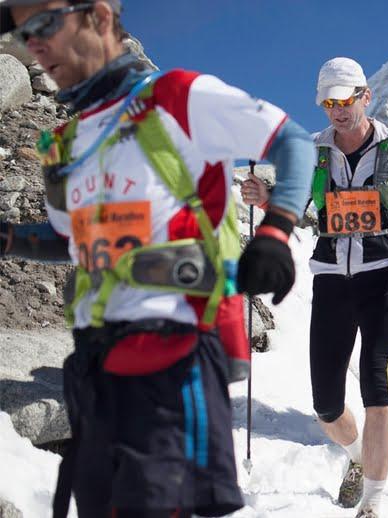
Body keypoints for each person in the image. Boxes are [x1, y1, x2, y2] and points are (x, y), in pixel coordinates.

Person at [0, 1, 313, 516]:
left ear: (99, 16)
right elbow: (73, 241)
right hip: (94, 373)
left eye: (43, 23)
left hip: (174, 361)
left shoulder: (178, 97)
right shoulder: (67, 142)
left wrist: (276, 232)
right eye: (20, 34)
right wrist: (12, 238)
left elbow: (291, 141)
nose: (32, 43)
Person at [242, 56, 388, 517]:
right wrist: (263, 198)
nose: (337, 109)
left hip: (385, 275)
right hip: (332, 279)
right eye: (329, 102)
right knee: (326, 408)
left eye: (345, 99)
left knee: (378, 386)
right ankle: (361, 456)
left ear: (365, 97)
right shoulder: (314, 150)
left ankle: (372, 502)